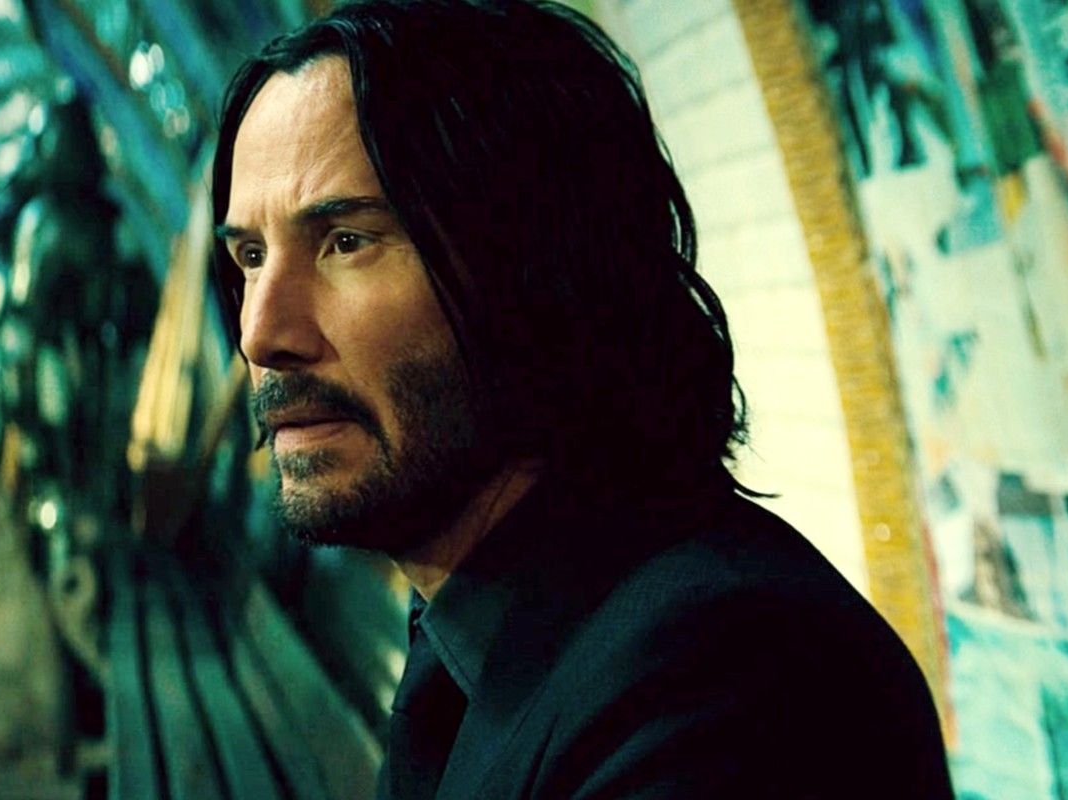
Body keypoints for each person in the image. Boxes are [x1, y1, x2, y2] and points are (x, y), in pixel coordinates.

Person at [209, 1, 955, 797]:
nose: (260, 334)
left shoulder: (725, 681)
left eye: (346, 242)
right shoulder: (474, 628)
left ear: (538, 271)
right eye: (250, 256)